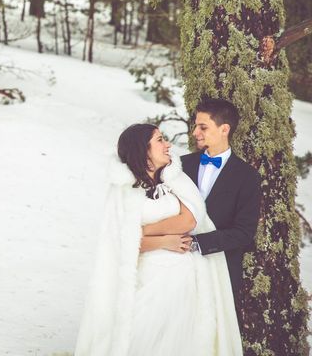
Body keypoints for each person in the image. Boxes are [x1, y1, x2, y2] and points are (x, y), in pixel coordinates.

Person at [74, 124, 241, 356]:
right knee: (140, 337)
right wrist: (164, 241)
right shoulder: (124, 190)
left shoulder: (176, 180)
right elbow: (118, 245)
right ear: (143, 149)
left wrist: (141, 231)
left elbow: (190, 220)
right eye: (160, 140)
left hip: (184, 280)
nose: (168, 145)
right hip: (147, 278)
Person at [180, 98, 261, 323]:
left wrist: (197, 244)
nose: (195, 132)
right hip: (177, 268)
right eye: (195, 125)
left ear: (224, 129)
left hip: (219, 272)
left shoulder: (247, 177)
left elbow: (244, 232)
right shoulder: (180, 165)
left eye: (203, 127)